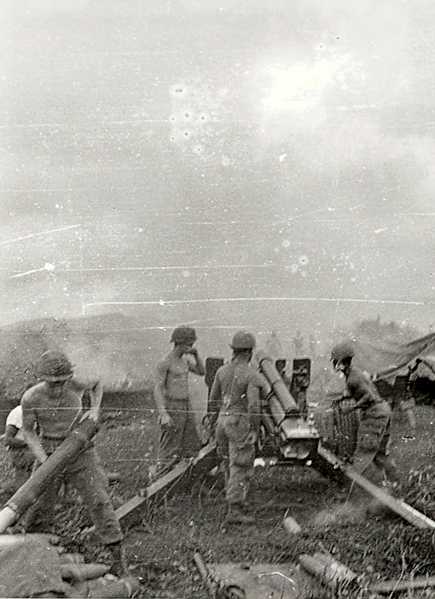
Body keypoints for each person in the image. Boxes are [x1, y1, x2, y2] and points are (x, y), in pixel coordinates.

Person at [21, 349, 127, 577]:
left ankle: (117, 559)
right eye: (53, 383)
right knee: (38, 506)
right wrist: (44, 460)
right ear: (42, 379)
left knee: (99, 501)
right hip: (49, 450)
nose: (59, 387)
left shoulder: (77, 384)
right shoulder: (31, 398)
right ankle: (30, 557)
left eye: (63, 382)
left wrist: (95, 410)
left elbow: (98, 383)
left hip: (80, 450)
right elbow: (28, 432)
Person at [208, 331, 264, 525]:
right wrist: (254, 429)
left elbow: (212, 399)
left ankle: (234, 500)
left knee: (227, 462)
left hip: (222, 421)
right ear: (249, 352)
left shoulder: (221, 372)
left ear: (233, 350)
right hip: (239, 423)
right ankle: (235, 510)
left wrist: (222, 415)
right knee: (241, 465)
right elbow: (254, 406)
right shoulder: (251, 375)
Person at [330, 342, 400, 486]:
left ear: (342, 362)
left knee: (363, 452)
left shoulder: (353, 378)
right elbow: (360, 391)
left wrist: (351, 408)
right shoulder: (355, 373)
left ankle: (349, 490)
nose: (335, 365)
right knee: (380, 454)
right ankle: (395, 484)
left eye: (336, 361)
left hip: (374, 413)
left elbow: (369, 397)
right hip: (383, 410)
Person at [152, 326, 205, 479]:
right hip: (172, 405)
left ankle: (187, 479)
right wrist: (163, 414)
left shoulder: (186, 361)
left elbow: (202, 372)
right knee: (170, 446)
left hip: (186, 405)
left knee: (191, 443)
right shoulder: (166, 362)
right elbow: (158, 388)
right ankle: (160, 479)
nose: (191, 347)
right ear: (178, 343)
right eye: (189, 344)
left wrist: (196, 355)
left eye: (192, 344)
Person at [3, 405, 34, 495]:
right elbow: (8, 440)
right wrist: (30, 442)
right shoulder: (19, 412)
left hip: (32, 448)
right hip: (20, 450)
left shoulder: (41, 410)